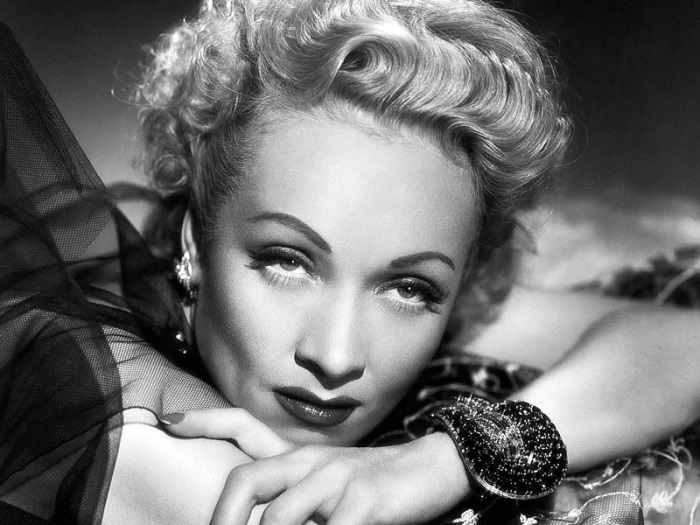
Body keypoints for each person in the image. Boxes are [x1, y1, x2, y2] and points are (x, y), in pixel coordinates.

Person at [0, 1, 699, 525]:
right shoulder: (101, 388)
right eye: (287, 261)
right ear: (193, 239)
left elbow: (682, 343)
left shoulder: (455, 311)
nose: (335, 357)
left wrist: (443, 459)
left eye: (408, 288)